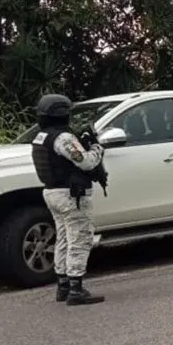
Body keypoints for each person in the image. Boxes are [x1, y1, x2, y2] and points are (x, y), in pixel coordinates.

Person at [31, 93, 106, 305]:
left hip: (52, 193)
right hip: (70, 195)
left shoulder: (41, 137)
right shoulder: (63, 138)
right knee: (79, 238)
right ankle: (76, 289)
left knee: (63, 238)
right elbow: (85, 162)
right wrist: (97, 149)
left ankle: (63, 285)